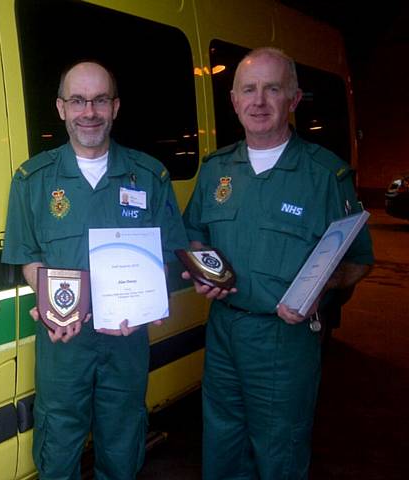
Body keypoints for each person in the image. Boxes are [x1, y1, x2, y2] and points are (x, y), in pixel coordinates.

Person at [182, 47, 374, 479]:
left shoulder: (324, 175)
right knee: (221, 443)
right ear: (233, 101)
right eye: (248, 90)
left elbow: (360, 260)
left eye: (273, 89)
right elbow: (193, 232)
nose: (259, 101)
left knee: (279, 451)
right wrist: (201, 272)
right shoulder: (216, 170)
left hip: (284, 336)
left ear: (293, 98)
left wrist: (320, 288)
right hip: (225, 328)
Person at [2, 60, 187, 480]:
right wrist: (51, 302)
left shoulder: (149, 176)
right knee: (58, 448)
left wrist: (150, 304)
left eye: (100, 100)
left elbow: (170, 255)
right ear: (61, 108)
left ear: (116, 107)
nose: (90, 112)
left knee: (123, 447)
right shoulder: (33, 180)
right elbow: (28, 256)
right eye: (79, 101)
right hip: (63, 341)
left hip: (127, 342)